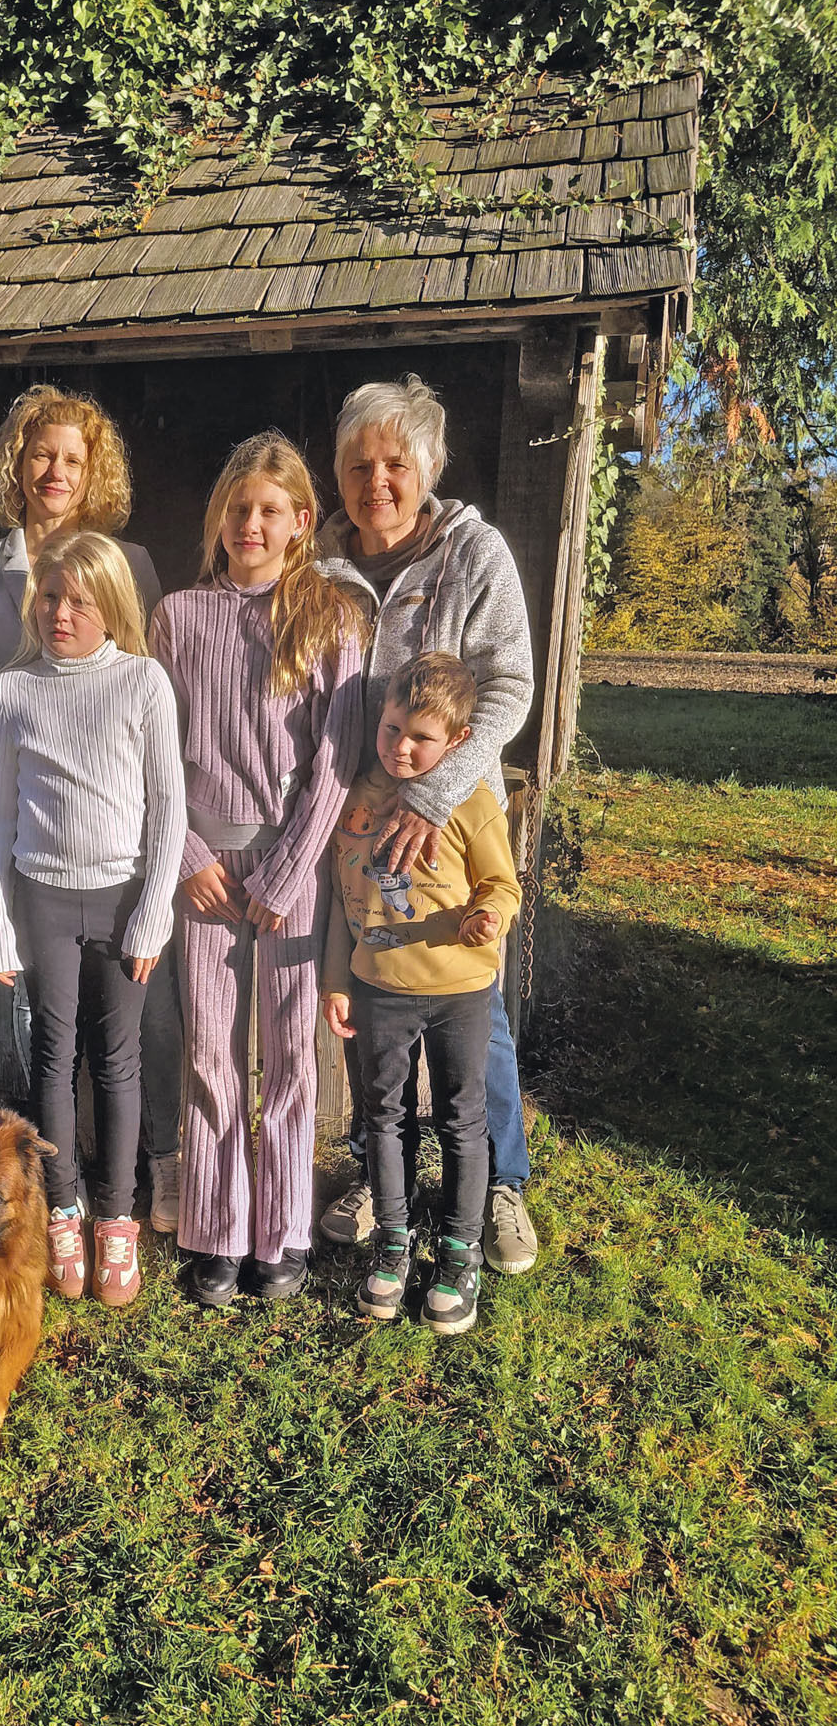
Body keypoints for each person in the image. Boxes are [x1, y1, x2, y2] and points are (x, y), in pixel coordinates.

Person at [312, 374, 539, 1277]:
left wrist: (433, 795)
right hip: (359, 827)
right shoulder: (315, 566)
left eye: (395, 463)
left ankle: (500, 1187)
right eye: (359, 464)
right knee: (378, 1000)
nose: (377, 481)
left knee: (467, 1002)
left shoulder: (472, 555)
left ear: (429, 468)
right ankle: (384, 1173)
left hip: (448, 823)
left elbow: (511, 686)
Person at [0, 384, 183, 1230]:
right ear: (17, 460)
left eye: (73, 458)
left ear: (96, 473)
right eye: (41, 453)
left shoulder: (131, 564)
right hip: (28, 819)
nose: (55, 470)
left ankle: (157, 1163)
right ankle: (39, 1183)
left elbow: (141, 690)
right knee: (28, 1022)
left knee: (137, 1014)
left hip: (115, 838)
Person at [150, 433, 364, 1306]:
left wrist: (286, 872)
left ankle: (280, 1231)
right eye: (238, 508)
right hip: (203, 865)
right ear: (219, 518)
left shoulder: (331, 616)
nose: (252, 522)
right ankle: (216, 1228)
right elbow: (152, 752)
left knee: (287, 1054)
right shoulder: (177, 615)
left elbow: (339, 755)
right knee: (209, 1047)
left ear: (300, 522)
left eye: (270, 509)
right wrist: (189, 856)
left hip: (290, 863)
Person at [0, 532, 185, 1306]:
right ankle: (62, 1209)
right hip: (45, 900)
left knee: (118, 1060)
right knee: (54, 1055)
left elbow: (169, 811)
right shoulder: (13, 690)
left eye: (80, 600)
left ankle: (116, 1218)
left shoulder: (143, 684)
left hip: (125, 897)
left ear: (112, 607)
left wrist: (152, 915)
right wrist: (0, 926)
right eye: (52, 596)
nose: (62, 612)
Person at [322, 655, 522, 1335]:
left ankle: (460, 1250)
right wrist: (335, 979)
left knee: (463, 1118)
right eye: (389, 730)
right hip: (379, 990)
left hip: (461, 991)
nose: (399, 748)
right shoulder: (352, 796)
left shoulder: (471, 802)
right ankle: (394, 1239)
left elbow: (502, 883)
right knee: (384, 1115)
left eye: (421, 738)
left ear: (458, 742)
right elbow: (336, 900)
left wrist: (488, 916)